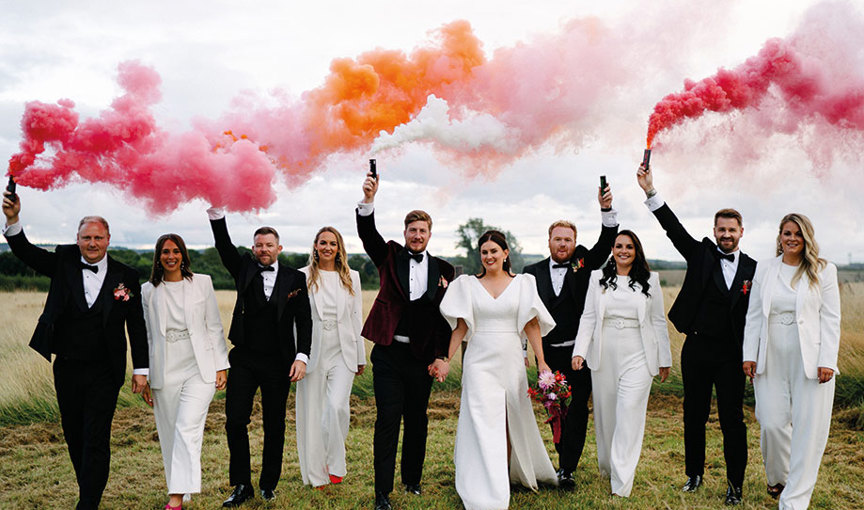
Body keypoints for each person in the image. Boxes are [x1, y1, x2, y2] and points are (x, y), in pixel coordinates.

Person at [2, 190, 148, 510]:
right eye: (86, 238)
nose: (92, 243)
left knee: (96, 436)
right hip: (67, 366)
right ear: (77, 239)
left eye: (98, 237)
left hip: (106, 370)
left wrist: (141, 369)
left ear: (108, 239)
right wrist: (13, 219)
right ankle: (89, 491)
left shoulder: (127, 276)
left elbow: (136, 325)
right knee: (74, 433)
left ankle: (87, 504)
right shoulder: (64, 262)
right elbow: (26, 252)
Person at [637, 162, 756, 505]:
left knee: (733, 420)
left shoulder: (753, 270)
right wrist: (650, 191)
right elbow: (673, 229)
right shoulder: (700, 253)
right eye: (721, 229)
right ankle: (694, 474)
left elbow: (758, 317)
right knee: (694, 414)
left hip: (732, 354)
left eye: (731, 230)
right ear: (714, 230)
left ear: (741, 232)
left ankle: (736, 484)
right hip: (698, 348)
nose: (725, 235)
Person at [438, 230, 558, 510]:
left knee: (507, 419)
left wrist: (542, 362)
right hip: (479, 359)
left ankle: (501, 475)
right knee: (482, 418)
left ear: (506, 254)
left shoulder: (524, 284)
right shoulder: (467, 285)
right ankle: (484, 484)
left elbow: (531, 325)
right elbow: (462, 327)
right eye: (484, 252)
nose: (489, 256)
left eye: (494, 251)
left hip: (511, 359)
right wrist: (446, 358)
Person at [356, 169, 455, 510]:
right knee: (387, 420)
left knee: (417, 419)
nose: (416, 235)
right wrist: (368, 201)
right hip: (387, 354)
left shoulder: (444, 270)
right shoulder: (389, 256)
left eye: (422, 231)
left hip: (421, 357)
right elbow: (368, 235)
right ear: (405, 233)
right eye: (412, 230)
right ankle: (382, 492)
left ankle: (411, 479)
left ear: (429, 235)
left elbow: (445, 319)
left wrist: (441, 355)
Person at [206, 207, 312, 507]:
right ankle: (242, 485)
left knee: (274, 423)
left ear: (279, 248)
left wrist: (302, 356)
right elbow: (223, 246)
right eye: (259, 245)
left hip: (279, 361)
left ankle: (268, 484)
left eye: (269, 245)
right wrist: (216, 213)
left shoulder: (295, 278)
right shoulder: (244, 269)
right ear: (253, 249)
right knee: (235, 420)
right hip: (244, 359)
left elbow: (305, 320)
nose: (264, 250)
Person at [522, 182, 618, 487]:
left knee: (577, 408)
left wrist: (606, 210)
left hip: (580, 353)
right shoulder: (531, 271)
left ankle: (567, 468)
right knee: (555, 408)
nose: (562, 244)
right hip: (547, 355)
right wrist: (527, 350)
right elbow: (524, 314)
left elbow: (607, 241)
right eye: (557, 239)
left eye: (568, 239)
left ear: (575, 242)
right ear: (548, 241)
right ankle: (563, 455)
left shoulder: (584, 265)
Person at [742, 213, 840, 510]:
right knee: (771, 422)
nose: (792, 238)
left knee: (808, 431)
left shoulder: (824, 271)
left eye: (798, 233)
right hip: (770, 356)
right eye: (787, 233)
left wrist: (827, 360)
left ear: (807, 237)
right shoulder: (765, 269)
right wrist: (749, 354)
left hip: (811, 359)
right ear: (779, 237)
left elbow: (831, 319)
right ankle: (779, 477)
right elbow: (755, 314)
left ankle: (794, 500)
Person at [571, 230, 672, 497]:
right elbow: (588, 317)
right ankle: (608, 465)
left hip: (638, 353)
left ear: (636, 250)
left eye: (629, 246)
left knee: (629, 412)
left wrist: (664, 359)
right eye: (618, 246)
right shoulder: (598, 278)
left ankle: (622, 479)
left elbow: (658, 321)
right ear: (612, 250)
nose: (623, 251)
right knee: (606, 416)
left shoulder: (650, 280)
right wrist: (579, 351)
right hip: (605, 352)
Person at [140, 233, 230, 510]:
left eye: (175, 251)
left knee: (185, 427)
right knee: (169, 432)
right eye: (165, 252)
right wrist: (144, 374)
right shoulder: (147, 290)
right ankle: (181, 487)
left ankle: (176, 498)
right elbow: (145, 335)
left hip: (199, 367)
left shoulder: (202, 283)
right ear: (158, 256)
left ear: (183, 255)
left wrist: (221, 364)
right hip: (164, 368)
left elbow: (213, 325)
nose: (170, 256)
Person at [296, 227, 366, 488]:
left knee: (336, 407)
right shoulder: (301, 277)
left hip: (343, 351)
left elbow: (356, 316)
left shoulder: (352, 277)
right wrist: (297, 356)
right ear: (315, 246)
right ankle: (316, 474)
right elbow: (296, 321)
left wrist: (360, 354)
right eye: (322, 242)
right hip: (312, 352)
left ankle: (335, 463)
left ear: (339, 248)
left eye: (332, 243)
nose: (327, 247)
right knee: (312, 414)